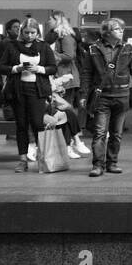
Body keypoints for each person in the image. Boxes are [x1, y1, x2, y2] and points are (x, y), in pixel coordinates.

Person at [80, 18, 132, 177]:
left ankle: (112, 163)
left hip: (122, 95)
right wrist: (83, 94)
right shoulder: (93, 49)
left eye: (121, 29)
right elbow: (87, 74)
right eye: (117, 29)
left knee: (116, 134)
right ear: (107, 32)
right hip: (102, 96)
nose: (121, 31)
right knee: (100, 133)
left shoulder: (128, 48)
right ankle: (97, 165)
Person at [0, 18, 57, 174]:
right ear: (21, 32)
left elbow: (53, 68)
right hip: (17, 90)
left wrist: (39, 69)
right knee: (21, 126)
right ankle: (22, 160)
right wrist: (17, 68)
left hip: (37, 91)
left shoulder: (44, 47)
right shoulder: (11, 46)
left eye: (33, 33)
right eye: (26, 32)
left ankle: (43, 158)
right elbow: (0, 67)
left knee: (37, 123)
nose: (29, 36)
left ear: (38, 33)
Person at [46, 11, 89, 157]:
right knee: (62, 112)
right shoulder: (55, 36)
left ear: (57, 20)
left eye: (50, 19)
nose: (48, 22)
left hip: (66, 79)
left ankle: (70, 144)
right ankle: (70, 144)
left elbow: (70, 55)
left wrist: (51, 56)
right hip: (59, 77)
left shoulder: (66, 37)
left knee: (66, 111)